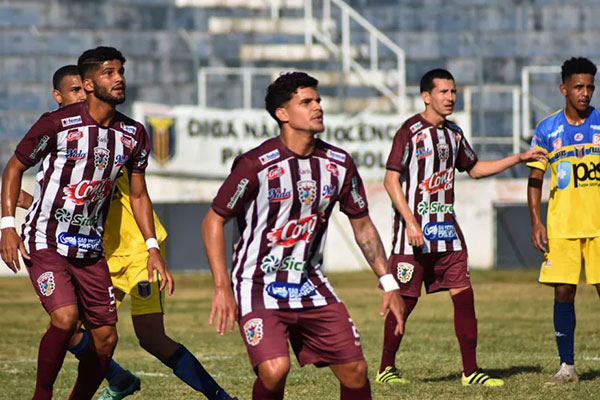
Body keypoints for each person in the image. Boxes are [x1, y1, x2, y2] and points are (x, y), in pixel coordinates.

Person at [16, 65, 237, 400]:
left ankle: (221, 398)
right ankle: (119, 379)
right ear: (58, 97)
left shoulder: (115, 138)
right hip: (90, 252)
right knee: (68, 325)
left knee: (151, 338)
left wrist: (150, 248)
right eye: (73, 91)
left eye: (83, 89)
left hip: (135, 256)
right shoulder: (62, 138)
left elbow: (129, 193)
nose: (81, 97)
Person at [202, 71, 405, 400]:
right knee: (275, 369)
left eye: (318, 100)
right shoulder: (254, 165)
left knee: (356, 371)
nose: (317, 107)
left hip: (310, 282)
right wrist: (222, 286)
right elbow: (213, 220)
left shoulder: (338, 163)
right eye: (306, 102)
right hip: (257, 283)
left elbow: (362, 224)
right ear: (282, 114)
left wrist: (388, 281)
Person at [0, 46, 173, 400]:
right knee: (65, 319)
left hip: (90, 247)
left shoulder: (134, 134)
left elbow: (139, 195)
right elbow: (15, 167)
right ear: (89, 84)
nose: (119, 78)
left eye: (120, 70)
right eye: (109, 72)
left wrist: (152, 247)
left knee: (106, 338)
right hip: (45, 238)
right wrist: (7, 225)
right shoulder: (57, 123)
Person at [376, 68, 547, 387]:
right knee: (405, 302)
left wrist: (519, 157)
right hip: (411, 239)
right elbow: (390, 180)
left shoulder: (454, 134)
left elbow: (476, 168)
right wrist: (411, 222)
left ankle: (471, 372)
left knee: (464, 297)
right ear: (426, 96)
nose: (451, 97)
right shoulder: (410, 132)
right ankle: (386, 367)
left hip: (447, 235)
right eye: (443, 92)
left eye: (453, 92)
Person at [527, 57, 600, 385]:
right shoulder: (547, 129)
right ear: (564, 89)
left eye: (590, 87)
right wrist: (536, 222)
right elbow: (535, 179)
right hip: (563, 227)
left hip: (599, 226)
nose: (585, 93)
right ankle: (567, 366)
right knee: (563, 292)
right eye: (579, 87)